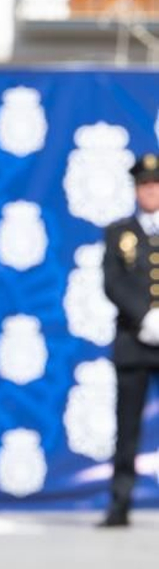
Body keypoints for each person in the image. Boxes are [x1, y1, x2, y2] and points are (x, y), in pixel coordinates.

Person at [98, 152, 159, 528]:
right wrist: (146, 315)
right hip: (135, 341)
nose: (150, 191)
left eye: (155, 185)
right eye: (144, 185)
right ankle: (119, 503)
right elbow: (113, 281)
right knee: (127, 428)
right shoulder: (120, 232)